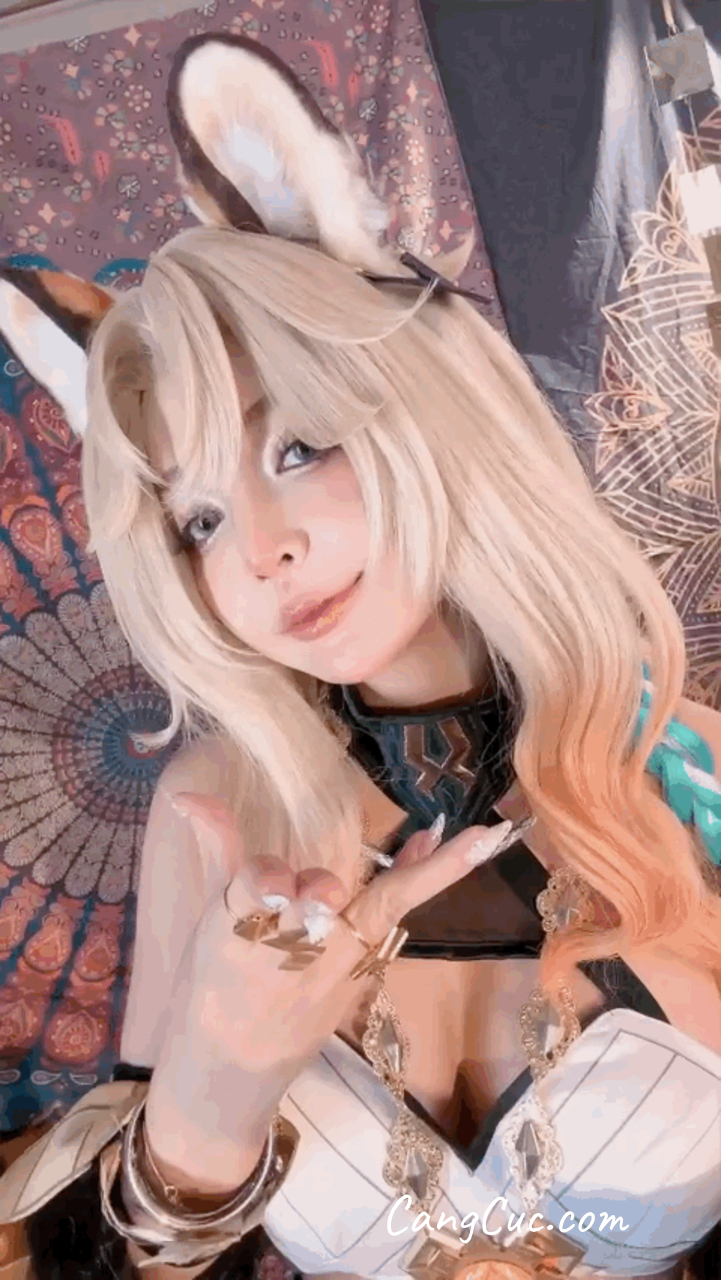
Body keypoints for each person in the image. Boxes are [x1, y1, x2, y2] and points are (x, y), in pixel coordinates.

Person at [0, 32, 720, 1280]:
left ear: (431, 410)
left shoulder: (688, 770)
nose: (259, 550)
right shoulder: (215, 816)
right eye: (199, 517)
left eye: (296, 448)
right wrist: (201, 1120)